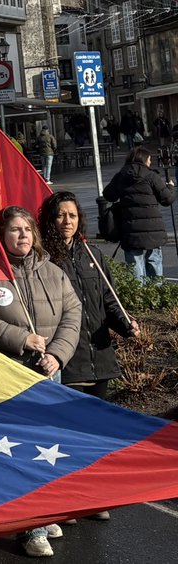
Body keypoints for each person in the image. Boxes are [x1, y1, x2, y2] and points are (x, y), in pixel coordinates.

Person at [0, 207, 81, 558]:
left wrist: (57, 354)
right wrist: (21, 339)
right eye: (14, 229)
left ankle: (45, 511)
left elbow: (72, 315)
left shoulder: (54, 272)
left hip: (49, 372)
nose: (23, 235)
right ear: (1, 235)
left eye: (27, 229)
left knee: (50, 446)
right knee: (23, 450)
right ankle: (30, 528)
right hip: (7, 374)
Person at [39, 192, 139, 400]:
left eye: (72, 215)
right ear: (50, 219)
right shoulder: (42, 259)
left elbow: (108, 299)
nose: (67, 221)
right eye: (60, 215)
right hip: (67, 361)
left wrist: (126, 323)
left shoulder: (93, 254)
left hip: (100, 361)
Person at [103, 145, 176, 280]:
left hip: (130, 229)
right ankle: (156, 292)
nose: (150, 162)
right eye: (149, 159)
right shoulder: (151, 176)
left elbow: (108, 195)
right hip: (153, 229)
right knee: (154, 262)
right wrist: (170, 187)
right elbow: (167, 199)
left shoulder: (121, 175)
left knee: (135, 266)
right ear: (144, 159)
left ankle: (138, 292)